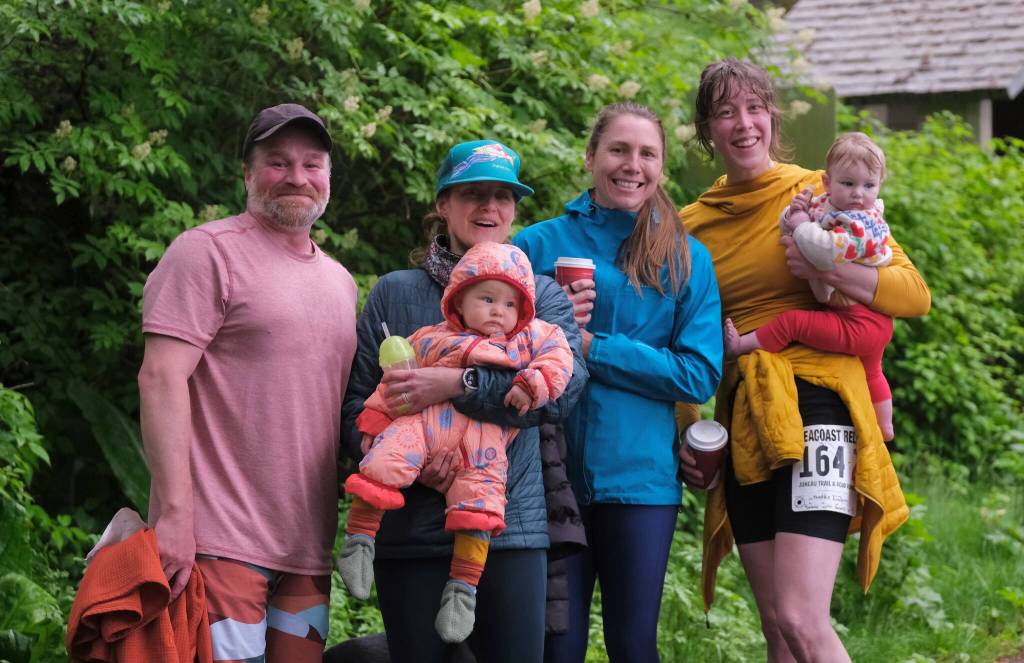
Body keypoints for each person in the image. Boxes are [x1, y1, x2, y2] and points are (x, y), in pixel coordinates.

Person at [679, 58, 931, 663]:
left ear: (771, 116)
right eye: (725, 112)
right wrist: (691, 433)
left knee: (801, 616)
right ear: (707, 131)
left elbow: (911, 294)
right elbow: (687, 338)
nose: (743, 124)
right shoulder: (691, 226)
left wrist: (826, 267)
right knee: (776, 627)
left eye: (754, 108)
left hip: (819, 403)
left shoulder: (823, 192)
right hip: (744, 417)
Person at [340, 139, 588, 663]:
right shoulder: (394, 293)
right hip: (410, 527)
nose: (488, 208)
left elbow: (561, 398)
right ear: (442, 204)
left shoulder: (540, 297)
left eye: (502, 196)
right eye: (472, 193)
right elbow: (354, 407)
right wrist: (408, 454)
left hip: (509, 525)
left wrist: (456, 385)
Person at [138, 103, 358, 662]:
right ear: (246, 174)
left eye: (313, 164)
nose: (297, 177)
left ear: (328, 178)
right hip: (217, 542)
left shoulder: (340, 282)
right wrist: (173, 517)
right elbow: (160, 379)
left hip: (307, 549)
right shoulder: (207, 252)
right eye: (277, 162)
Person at [513, 102, 723, 663]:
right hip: (547, 479)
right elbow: (495, 345)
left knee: (633, 646)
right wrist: (552, 328)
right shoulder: (536, 244)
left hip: (641, 483)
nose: (632, 165)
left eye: (647, 153)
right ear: (590, 158)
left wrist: (592, 347)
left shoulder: (685, 258)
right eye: (619, 150)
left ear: (661, 167)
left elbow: (699, 373)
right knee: (557, 648)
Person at [724, 131, 897, 441]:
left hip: (862, 319)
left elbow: (823, 251)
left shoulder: (865, 224)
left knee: (793, 323)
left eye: (869, 185)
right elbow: (787, 230)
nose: (859, 193)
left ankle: (741, 345)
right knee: (873, 372)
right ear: (828, 183)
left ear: (879, 186)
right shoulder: (831, 206)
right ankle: (885, 429)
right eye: (848, 184)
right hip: (867, 317)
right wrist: (794, 212)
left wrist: (802, 222)